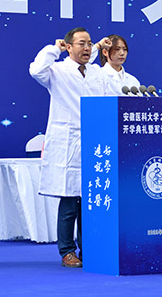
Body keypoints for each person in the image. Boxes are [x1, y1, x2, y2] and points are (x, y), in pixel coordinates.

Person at [29, 27, 112, 268]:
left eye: (89, 43)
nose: (87, 48)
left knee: (90, 201)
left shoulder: (97, 73)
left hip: (94, 142)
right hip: (68, 142)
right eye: (81, 43)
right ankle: (67, 251)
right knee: (69, 202)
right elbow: (36, 70)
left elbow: (108, 101)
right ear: (68, 47)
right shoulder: (57, 71)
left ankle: (89, 249)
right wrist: (53, 49)